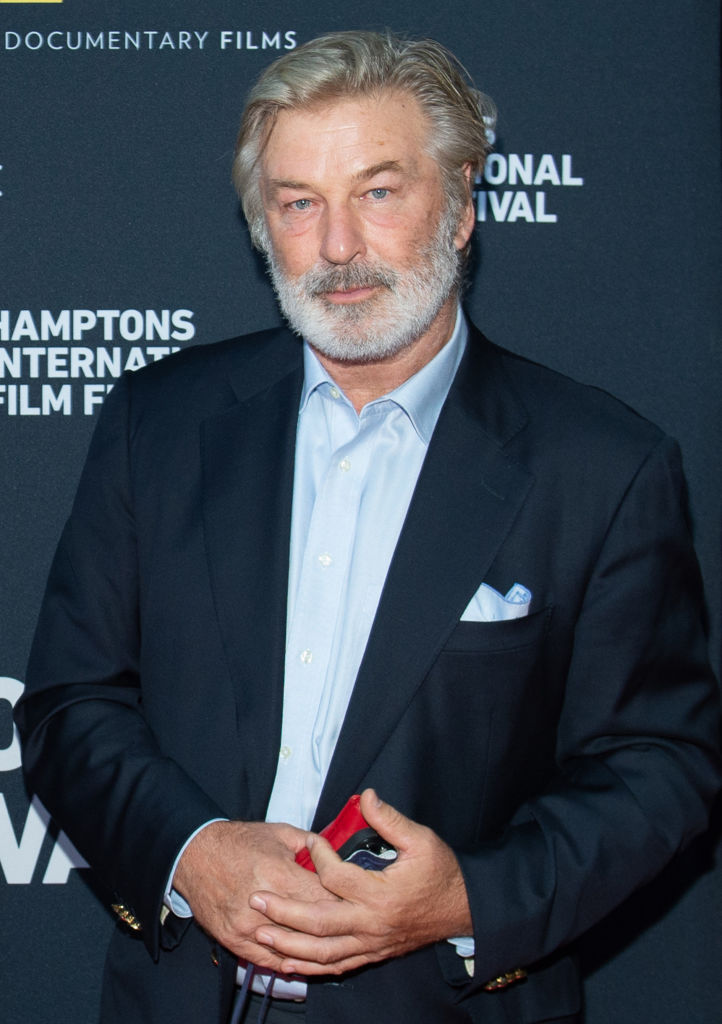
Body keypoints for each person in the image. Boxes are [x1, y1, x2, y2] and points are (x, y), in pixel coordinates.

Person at [16, 30, 720, 1024]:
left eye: (378, 192)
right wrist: (193, 853)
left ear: (461, 206)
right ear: (262, 226)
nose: (338, 246)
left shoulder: (600, 466)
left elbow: (658, 765)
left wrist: (466, 898)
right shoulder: (158, 424)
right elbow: (70, 701)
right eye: (299, 203)